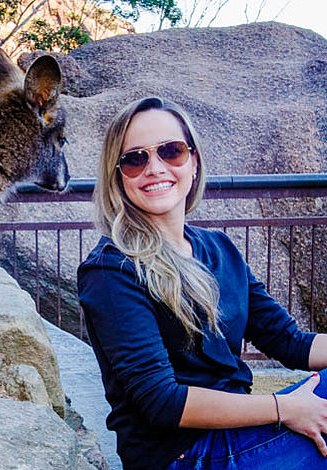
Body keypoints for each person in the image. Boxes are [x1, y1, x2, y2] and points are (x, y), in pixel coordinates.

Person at [77, 96, 327, 470]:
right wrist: (284, 408)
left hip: (240, 434)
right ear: (117, 177)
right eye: (135, 159)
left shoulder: (218, 248)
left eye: (171, 151)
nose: (154, 167)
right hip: (182, 455)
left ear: (193, 161)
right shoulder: (110, 270)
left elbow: (291, 342)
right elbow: (162, 400)